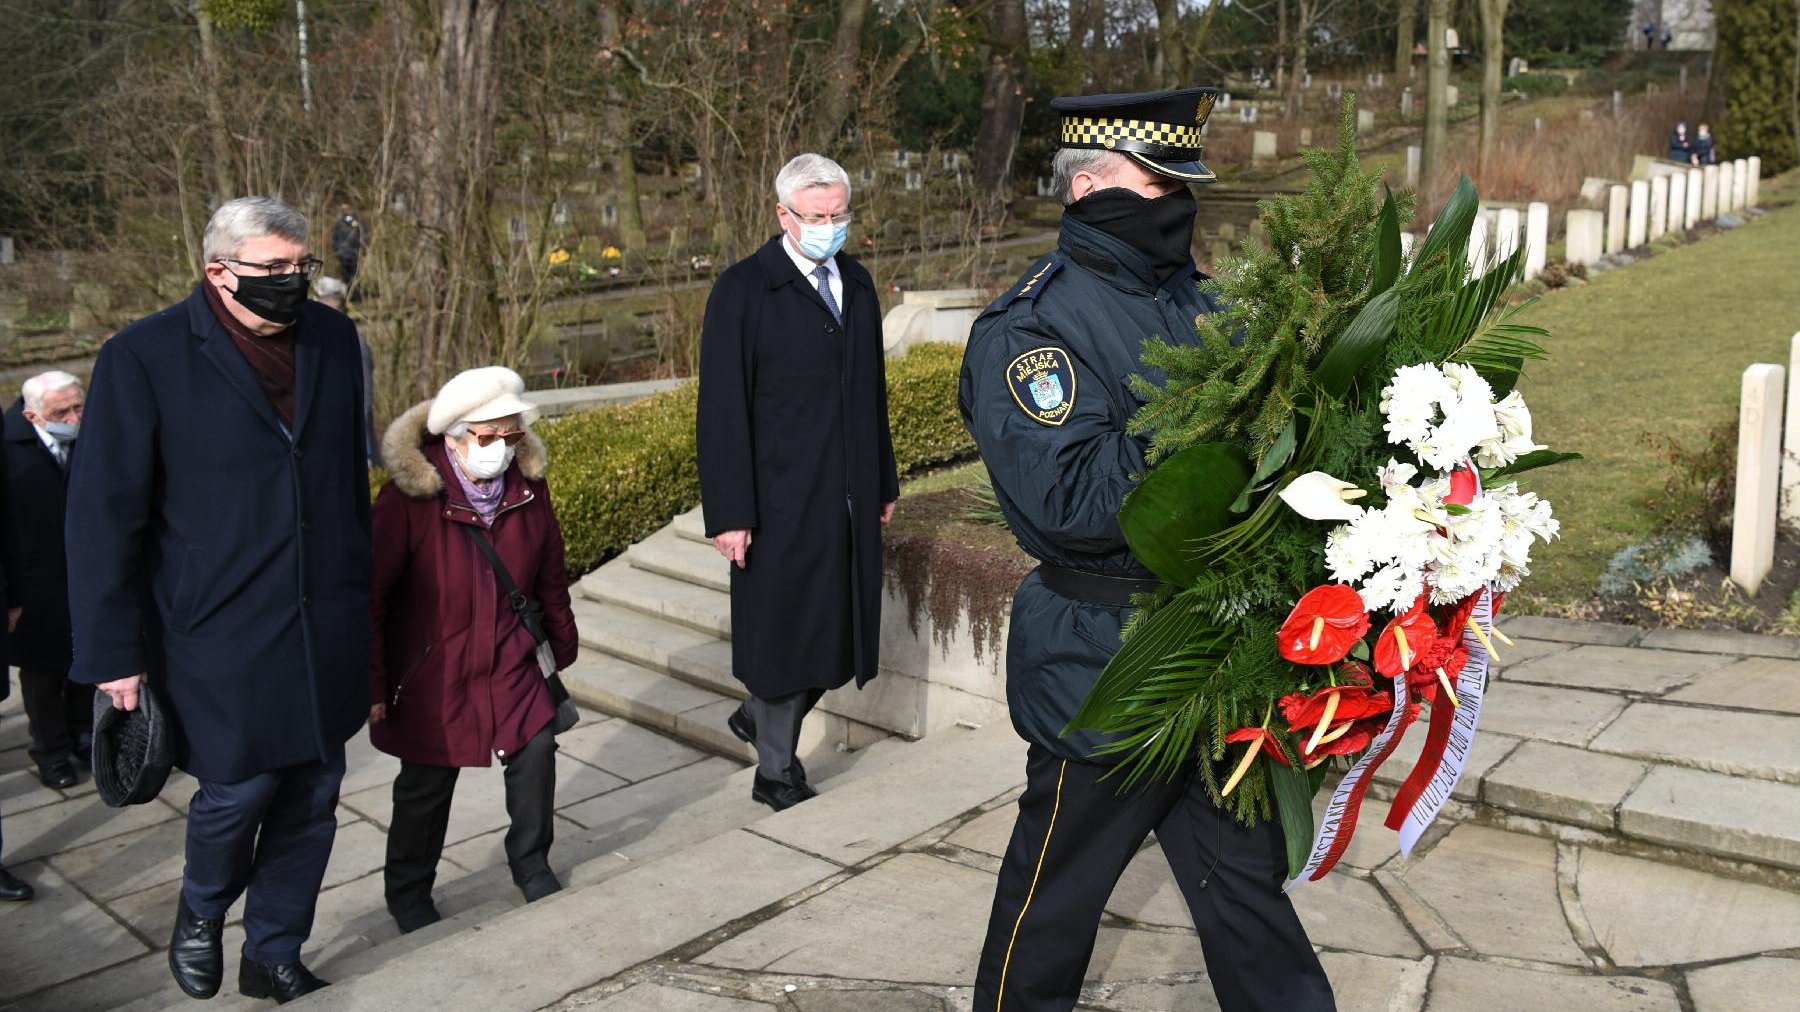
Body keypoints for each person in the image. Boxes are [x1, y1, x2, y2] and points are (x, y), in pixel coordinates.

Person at [959, 88, 1335, 1011]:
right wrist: (1223, 421)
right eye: (1154, 182)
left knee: (1242, 886)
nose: (1174, 203)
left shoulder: (1200, 301)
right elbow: (1067, 498)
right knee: (1055, 904)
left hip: (1219, 651)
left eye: (1182, 183)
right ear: (1087, 186)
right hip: (1105, 658)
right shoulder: (1032, 328)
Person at [66, 196, 372, 1004]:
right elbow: (103, 517)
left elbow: (346, 478)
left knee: (314, 791)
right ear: (217, 271)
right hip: (216, 627)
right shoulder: (143, 357)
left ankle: (274, 951)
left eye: (301, 267)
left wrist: (365, 600)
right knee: (238, 787)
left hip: (322, 618)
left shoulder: (336, 340)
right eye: (272, 270)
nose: (291, 283)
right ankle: (200, 912)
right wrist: (111, 656)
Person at [696, 153, 898, 812]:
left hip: (845, 495)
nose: (829, 226)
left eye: (839, 215)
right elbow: (722, 409)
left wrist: (884, 480)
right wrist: (730, 512)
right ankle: (775, 772)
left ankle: (758, 716)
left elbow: (872, 393)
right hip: (776, 500)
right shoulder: (743, 290)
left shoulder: (859, 284)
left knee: (837, 631)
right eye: (816, 217)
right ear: (784, 215)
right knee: (782, 638)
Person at [369, 366, 579, 932]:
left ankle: (531, 863)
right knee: (427, 783)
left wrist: (560, 643)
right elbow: (371, 599)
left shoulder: (530, 490)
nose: (502, 449)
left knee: (536, 751)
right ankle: (409, 891)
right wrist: (373, 683)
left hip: (510, 655)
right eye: (489, 437)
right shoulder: (406, 502)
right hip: (435, 667)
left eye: (511, 436)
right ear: (454, 438)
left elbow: (551, 573)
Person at [2, 371, 93, 790]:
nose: (74, 418)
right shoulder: (9, 449)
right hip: (33, 578)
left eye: (78, 407)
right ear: (32, 415)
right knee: (42, 677)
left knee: (84, 662)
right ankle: (50, 751)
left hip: (81, 572)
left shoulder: (89, 438)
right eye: (62, 412)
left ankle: (83, 735)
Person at [313, 276, 378, 465]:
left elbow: (363, 401)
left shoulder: (355, 343)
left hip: (356, 446)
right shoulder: (320, 341)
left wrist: (363, 451)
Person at [330, 209, 365, 289]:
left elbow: (363, 238)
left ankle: (354, 293)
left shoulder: (358, 223)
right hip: (343, 254)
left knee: (354, 275)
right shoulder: (340, 223)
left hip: (354, 254)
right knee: (346, 275)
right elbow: (334, 239)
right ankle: (348, 292)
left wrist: (362, 251)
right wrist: (336, 251)